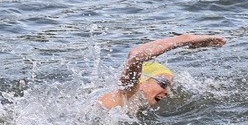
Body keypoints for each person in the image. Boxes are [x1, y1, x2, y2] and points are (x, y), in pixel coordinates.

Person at [97, 34, 228, 111]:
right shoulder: (127, 96)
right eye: (164, 85)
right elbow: (136, 56)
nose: (166, 92)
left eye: (166, 85)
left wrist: (187, 40)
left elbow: (135, 56)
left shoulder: (131, 98)